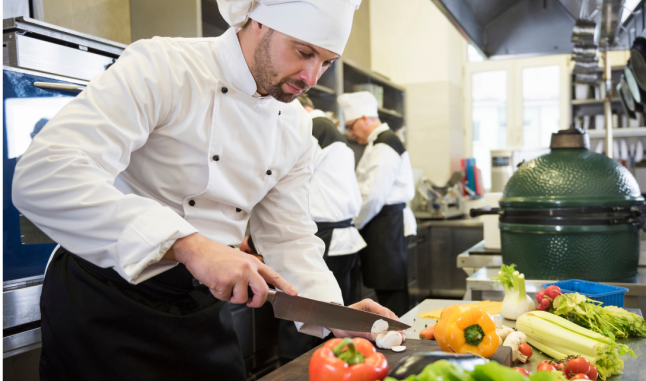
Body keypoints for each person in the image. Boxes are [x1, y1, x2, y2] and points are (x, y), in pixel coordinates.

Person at [12, 1, 403, 379]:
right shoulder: (164, 67)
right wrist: (190, 245)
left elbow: (289, 236)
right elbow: (45, 174)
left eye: (326, 62)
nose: (311, 77)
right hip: (104, 298)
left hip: (200, 304)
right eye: (303, 52)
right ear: (259, 22)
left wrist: (332, 313)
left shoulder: (296, 127)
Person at [242, 94, 367, 364]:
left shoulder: (311, 125)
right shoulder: (331, 132)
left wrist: (250, 242)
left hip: (321, 233)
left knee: (297, 309)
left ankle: (294, 365)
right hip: (342, 236)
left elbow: (277, 191)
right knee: (321, 311)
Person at [338, 91, 417, 317]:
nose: (351, 133)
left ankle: (400, 342)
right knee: (388, 287)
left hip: (385, 223)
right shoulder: (378, 143)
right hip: (383, 223)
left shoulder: (385, 145)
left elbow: (373, 196)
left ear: (365, 118)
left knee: (390, 290)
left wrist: (353, 223)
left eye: (351, 126)